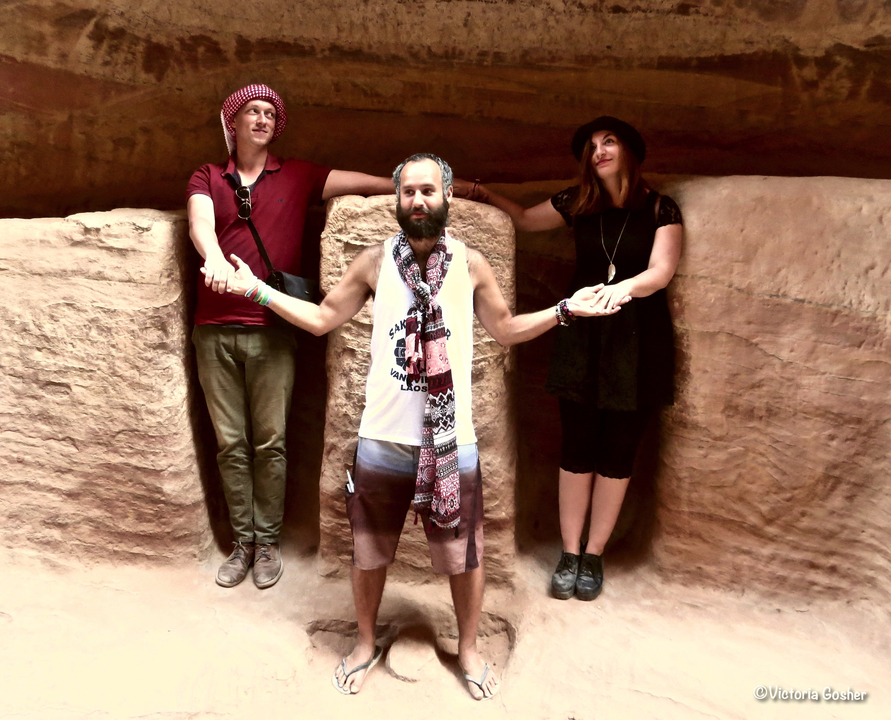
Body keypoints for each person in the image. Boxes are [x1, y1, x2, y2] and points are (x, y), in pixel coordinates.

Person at [208, 153, 618, 698]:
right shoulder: (375, 262)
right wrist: (256, 290)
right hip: (383, 435)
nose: (418, 201)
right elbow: (323, 318)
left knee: (463, 552)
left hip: (450, 441)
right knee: (369, 548)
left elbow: (506, 329)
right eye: (408, 193)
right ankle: (362, 642)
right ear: (397, 201)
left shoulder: (469, 263)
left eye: (428, 191)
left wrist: (565, 310)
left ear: (446, 198)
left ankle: (468, 649)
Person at [187, 83, 398, 590]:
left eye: (268, 114)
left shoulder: (298, 174)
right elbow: (200, 225)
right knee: (231, 444)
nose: (260, 120)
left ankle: (266, 544)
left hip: (273, 328)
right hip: (213, 328)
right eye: (251, 112)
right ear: (232, 123)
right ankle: (241, 542)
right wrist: (213, 260)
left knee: (270, 442)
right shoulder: (208, 175)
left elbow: (367, 183)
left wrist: (416, 184)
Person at [469, 117, 683, 601]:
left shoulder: (659, 208)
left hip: (636, 337)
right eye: (591, 146)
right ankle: (569, 553)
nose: (598, 151)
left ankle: (595, 554)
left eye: (608, 142)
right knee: (578, 443)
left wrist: (619, 291)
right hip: (582, 331)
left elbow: (661, 271)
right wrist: (483, 194)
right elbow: (524, 220)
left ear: (629, 150)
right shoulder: (578, 202)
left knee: (618, 451)